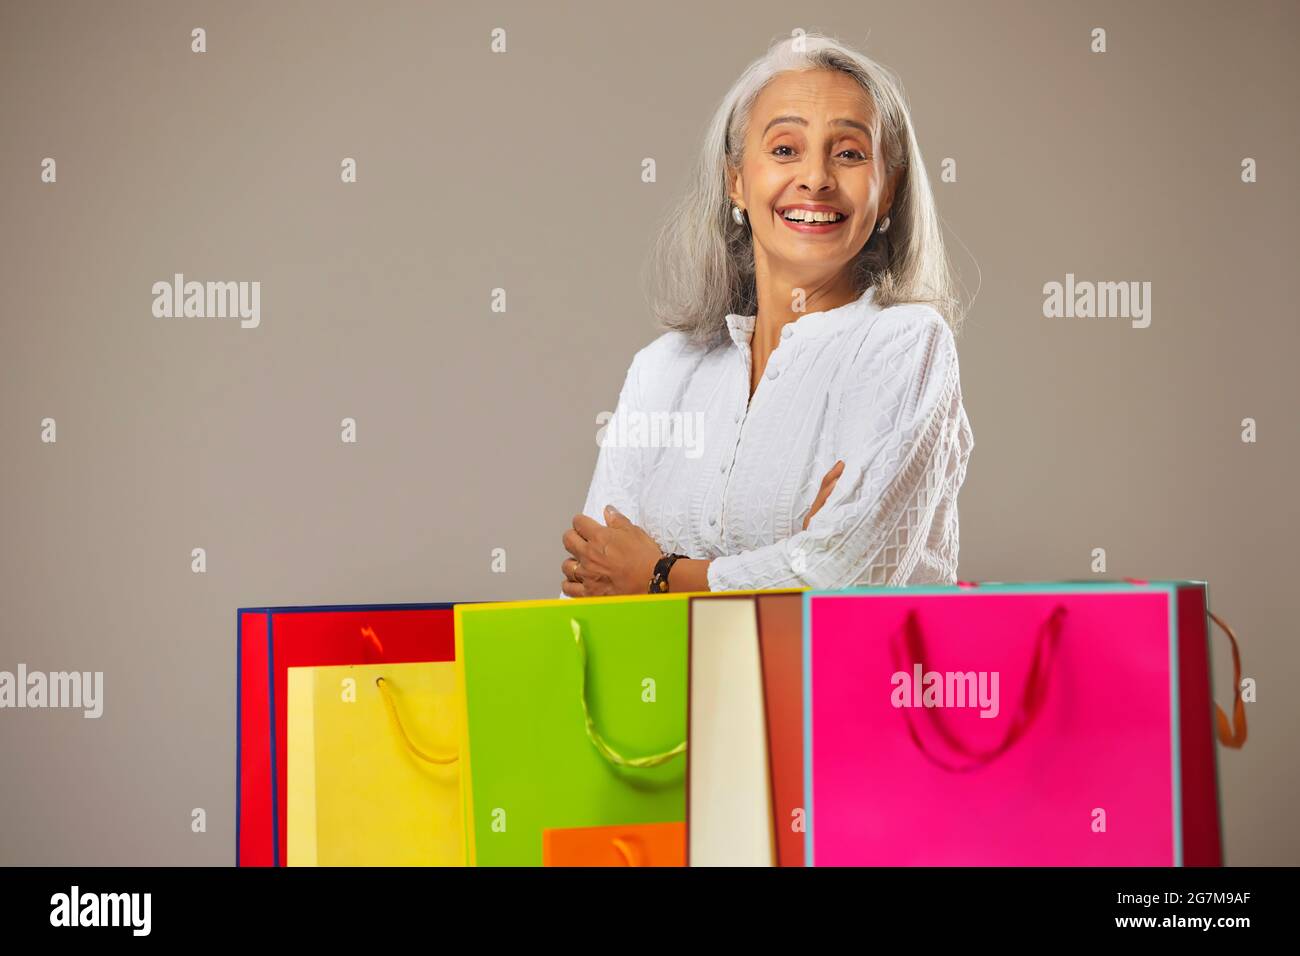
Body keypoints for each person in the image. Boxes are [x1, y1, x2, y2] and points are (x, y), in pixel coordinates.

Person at [561, 32, 974, 597]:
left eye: (850, 153)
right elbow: (591, 585)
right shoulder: (662, 370)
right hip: (664, 689)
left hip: (848, 688)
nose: (816, 178)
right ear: (736, 179)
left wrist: (657, 574)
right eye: (784, 149)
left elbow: (847, 578)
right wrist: (788, 562)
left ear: (888, 190)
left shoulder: (906, 344)